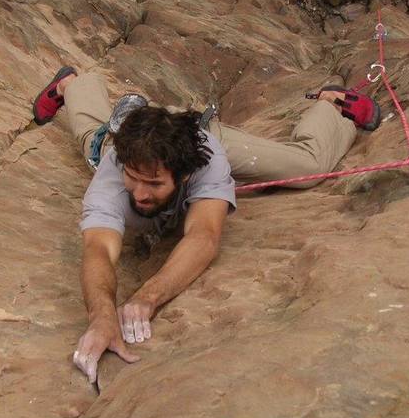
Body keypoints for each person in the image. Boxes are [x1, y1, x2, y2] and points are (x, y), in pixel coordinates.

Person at [32, 67, 381, 383]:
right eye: (133, 179)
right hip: (135, 138)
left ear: (184, 176)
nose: (138, 195)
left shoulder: (206, 159)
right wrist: (101, 316)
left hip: (192, 135)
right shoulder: (115, 171)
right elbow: (99, 249)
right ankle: (73, 85)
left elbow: (203, 235)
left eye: (153, 185)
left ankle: (330, 102)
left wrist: (147, 298)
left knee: (307, 167)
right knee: (95, 141)